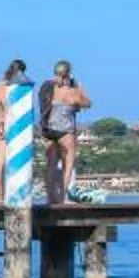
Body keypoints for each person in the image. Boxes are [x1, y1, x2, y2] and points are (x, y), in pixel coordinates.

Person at [39, 60, 94, 200]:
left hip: (50, 129)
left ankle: (50, 197)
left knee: (51, 164)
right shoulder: (72, 92)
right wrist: (80, 87)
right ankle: (62, 196)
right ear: (68, 74)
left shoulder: (50, 89)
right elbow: (88, 103)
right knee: (68, 163)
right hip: (66, 131)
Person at [0, 59, 28, 202]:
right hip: (6, 123)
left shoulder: (0, 84)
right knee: (1, 161)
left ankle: (0, 194)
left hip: (4, 122)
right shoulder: (10, 86)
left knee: (2, 161)